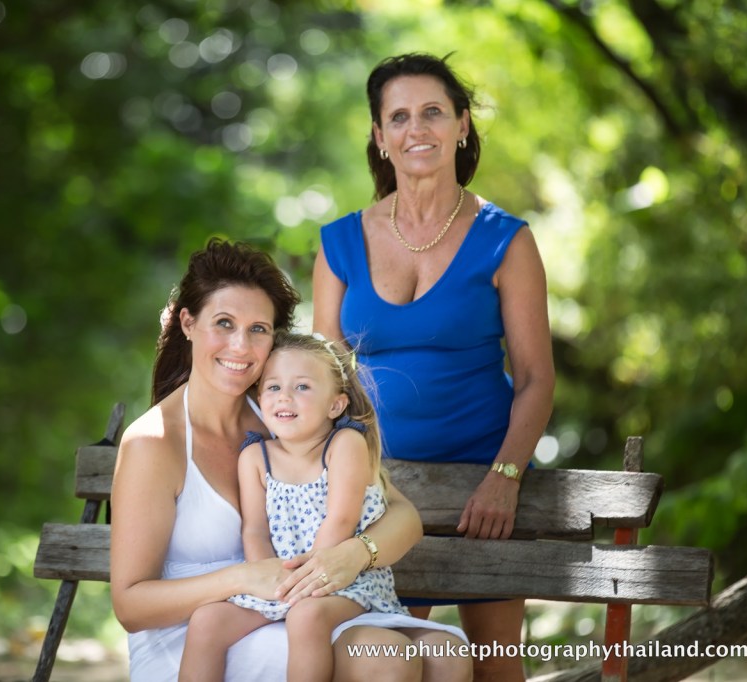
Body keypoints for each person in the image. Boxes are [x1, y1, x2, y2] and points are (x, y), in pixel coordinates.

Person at [111, 238, 472, 682]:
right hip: (194, 634)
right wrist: (244, 578)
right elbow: (130, 606)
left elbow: (403, 516)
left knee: (446, 652)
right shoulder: (155, 442)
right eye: (223, 323)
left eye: (258, 329)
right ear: (188, 323)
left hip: (296, 600)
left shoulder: (285, 416)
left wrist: (354, 554)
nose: (241, 346)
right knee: (385, 658)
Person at [312, 53, 556, 681]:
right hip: (380, 492)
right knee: (393, 659)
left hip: (482, 488)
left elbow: (535, 377)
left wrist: (505, 477)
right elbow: (321, 381)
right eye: (398, 116)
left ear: (461, 126)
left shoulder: (508, 239)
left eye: (432, 112)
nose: (416, 128)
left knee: (498, 667)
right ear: (379, 136)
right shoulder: (340, 241)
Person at [178, 332, 467, 682]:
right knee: (207, 621)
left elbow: (341, 519)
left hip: (342, 582)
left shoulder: (344, 445)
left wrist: (308, 579)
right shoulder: (255, 457)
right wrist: (266, 575)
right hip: (283, 581)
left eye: (302, 387)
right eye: (273, 387)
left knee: (306, 616)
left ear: (336, 405)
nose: (284, 396)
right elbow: (254, 528)